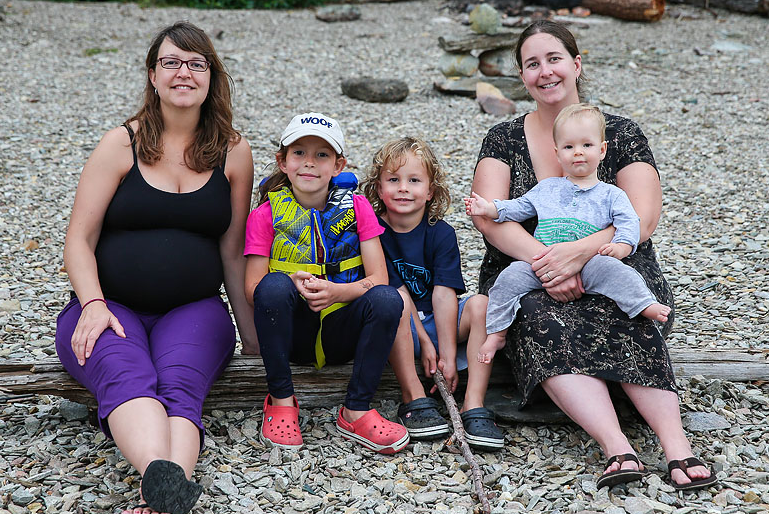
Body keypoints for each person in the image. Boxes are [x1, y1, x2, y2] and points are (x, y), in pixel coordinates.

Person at [470, 19, 718, 491]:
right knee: (540, 316)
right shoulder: (503, 138)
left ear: (576, 64)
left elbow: (641, 220)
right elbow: (489, 217)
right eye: (532, 63)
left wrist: (577, 256)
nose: (545, 72)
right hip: (526, 267)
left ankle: (677, 447)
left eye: (554, 59)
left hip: (614, 260)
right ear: (522, 76)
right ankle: (617, 448)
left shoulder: (620, 133)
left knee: (627, 310)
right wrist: (549, 262)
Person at [55, 22, 258, 514]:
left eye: (196, 63)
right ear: (152, 75)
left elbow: (233, 253)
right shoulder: (118, 145)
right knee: (127, 375)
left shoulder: (234, 152)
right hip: (109, 307)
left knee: (180, 385)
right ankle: (166, 492)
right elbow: (78, 240)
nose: (182, 73)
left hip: (195, 309)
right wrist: (94, 305)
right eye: (170, 62)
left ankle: (161, 494)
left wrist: (254, 340)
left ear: (211, 77)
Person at [244, 112, 409, 455]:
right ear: (283, 162)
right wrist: (290, 281)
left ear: (338, 165)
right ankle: (281, 403)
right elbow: (252, 289)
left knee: (388, 299)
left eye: (322, 155)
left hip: (342, 331)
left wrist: (338, 292)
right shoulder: (265, 214)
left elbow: (380, 279)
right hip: (294, 335)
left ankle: (357, 410)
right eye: (299, 153)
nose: (309, 163)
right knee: (273, 286)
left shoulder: (358, 207)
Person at [465, 103, 671, 364]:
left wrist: (622, 246)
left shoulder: (611, 194)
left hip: (591, 261)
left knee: (618, 273)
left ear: (602, 149)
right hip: (541, 263)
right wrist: (491, 208)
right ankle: (497, 331)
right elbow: (518, 208)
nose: (578, 153)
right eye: (569, 147)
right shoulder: (547, 189)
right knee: (507, 280)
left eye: (586, 146)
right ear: (558, 153)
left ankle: (643, 303)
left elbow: (630, 221)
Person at [362, 137, 504, 451]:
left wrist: (449, 357)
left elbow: (443, 294)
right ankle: (413, 397)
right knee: (393, 299)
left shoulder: (441, 232)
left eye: (414, 180)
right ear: (378, 188)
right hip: (399, 325)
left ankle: (472, 404)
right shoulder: (373, 230)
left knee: (481, 304)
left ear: (430, 191)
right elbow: (396, 291)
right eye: (393, 180)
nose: (403, 188)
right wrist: (426, 344)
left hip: (440, 321)